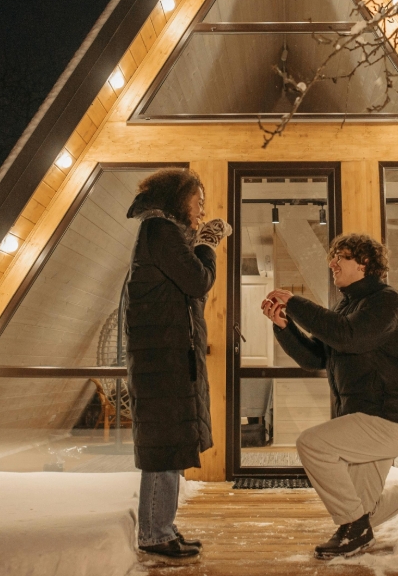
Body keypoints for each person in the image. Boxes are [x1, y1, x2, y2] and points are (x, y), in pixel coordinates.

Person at [262, 232, 398, 559]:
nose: (332, 263)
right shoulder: (347, 306)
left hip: (391, 417)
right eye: (333, 257)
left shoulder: (385, 301)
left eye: (341, 257)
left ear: (365, 262)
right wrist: (284, 326)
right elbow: (315, 358)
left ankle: (354, 530)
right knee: (366, 510)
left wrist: (295, 302)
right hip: (368, 419)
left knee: (312, 444)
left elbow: (349, 336)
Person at [124, 168, 229, 560]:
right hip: (161, 359)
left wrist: (198, 240)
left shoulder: (161, 232)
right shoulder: (160, 231)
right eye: (197, 202)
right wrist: (207, 245)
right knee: (163, 449)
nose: (201, 210)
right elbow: (198, 281)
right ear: (178, 199)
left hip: (164, 356)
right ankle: (154, 533)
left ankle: (162, 525)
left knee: (167, 446)